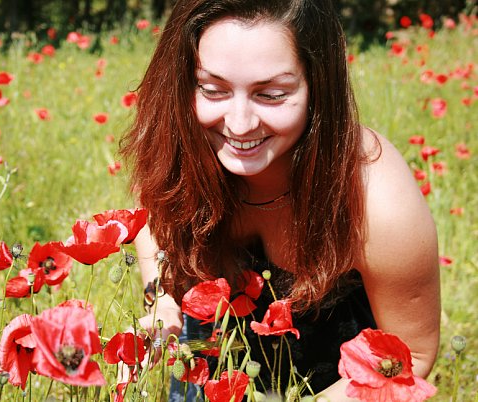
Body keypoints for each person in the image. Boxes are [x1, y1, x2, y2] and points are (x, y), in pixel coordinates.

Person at [119, 0, 440, 400]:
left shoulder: (375, 197)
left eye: (271, 94)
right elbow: (155, 215)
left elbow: (411, 353)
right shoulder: (179, 146)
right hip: (211, 351)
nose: (239, 124)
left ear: (318, 86)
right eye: (213, 90)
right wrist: (163, 303)